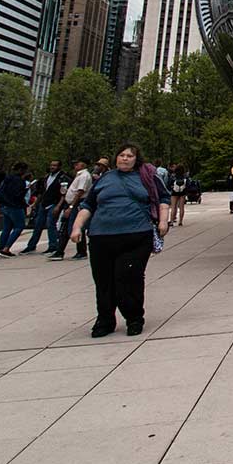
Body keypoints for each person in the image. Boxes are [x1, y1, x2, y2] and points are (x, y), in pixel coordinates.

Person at [70, 144, 170, 336]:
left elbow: (164, 198)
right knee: (103, 281)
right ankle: (105, 320)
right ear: (115, 158)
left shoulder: (146, 177)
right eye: (121, 155)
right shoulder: (105, 179)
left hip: (136, 235)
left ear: (136, 159)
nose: (125, 158)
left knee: (128, 277)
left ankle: (134, 318)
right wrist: (77, 227)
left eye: (129, 156)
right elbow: (88, 205)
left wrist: (163, 221)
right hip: (101, 236)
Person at [50, 160, 95, 260]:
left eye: (77, 164)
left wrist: (71, 206)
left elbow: (80, 192)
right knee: (65, 227)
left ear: (83, 164)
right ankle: (59, 251)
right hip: (70, 203)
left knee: (76, 227)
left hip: (76, 204)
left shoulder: (84, 176)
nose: (75, 166)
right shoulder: (78, 175)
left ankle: (81, 251)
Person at [23, 161, 65, 254]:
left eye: (55, 165)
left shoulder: (62, 178)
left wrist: (58, 206)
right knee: (38, 225)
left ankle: (53, 246)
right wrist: (35, 204)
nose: (52, 167)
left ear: (59, 167)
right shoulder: (46, 178)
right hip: (44, 203)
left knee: (51, 224)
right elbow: (41, 192)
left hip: (54, 203)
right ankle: (31, 245)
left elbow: (63, 193)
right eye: (51, 165)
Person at [0, 163, 29, 257]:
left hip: (4, 205)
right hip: (15, 206)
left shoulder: (6, 179)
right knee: (19, 226)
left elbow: (0, 192)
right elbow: (18, 195)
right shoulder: (20, 181)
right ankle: (6, 248)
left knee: (7, 228)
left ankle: (2, 248)